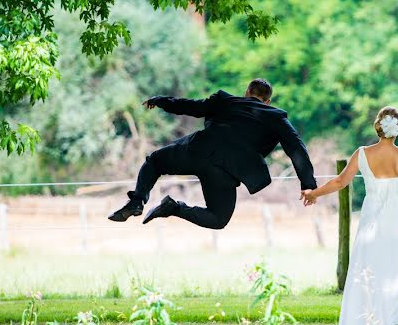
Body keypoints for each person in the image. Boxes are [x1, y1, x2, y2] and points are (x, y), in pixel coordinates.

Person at [109, 79, 317, 229]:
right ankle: (173, 208)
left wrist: (162, 101)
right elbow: (296, 148)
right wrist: (308, 184)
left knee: (154, 162)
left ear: (246, 92)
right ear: (268, 101)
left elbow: (192, 107)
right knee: (218, 219)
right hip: (227, 170)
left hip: (199, 150)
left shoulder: (225, 100)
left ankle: (137, 201)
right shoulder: (276, 117)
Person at [301, 106, 398, 325]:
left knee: (370, 269)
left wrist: (315, 194)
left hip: (372, 223)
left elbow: (341, 181)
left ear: (377, 127)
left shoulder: (362, 153)